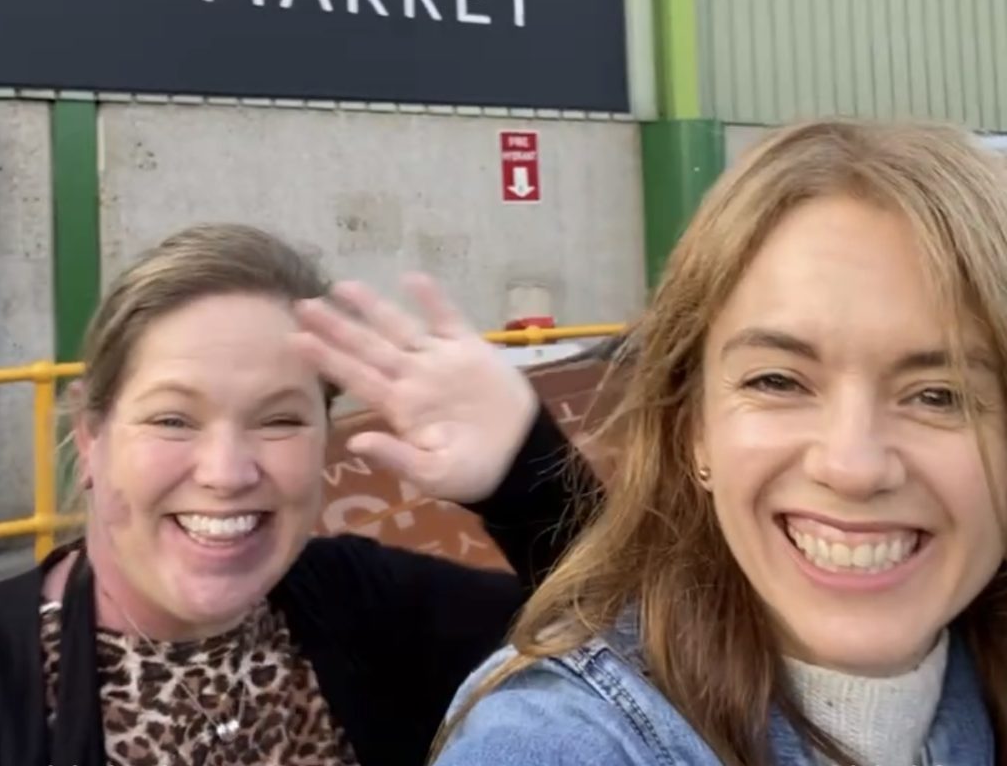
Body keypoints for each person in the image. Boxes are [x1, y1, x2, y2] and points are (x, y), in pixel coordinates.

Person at [430, 118, 1007, 766]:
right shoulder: (560, 744)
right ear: (693, 430)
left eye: (939, 394)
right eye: (778, 381)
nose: (852, 466)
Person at [0, 223, 596, 766]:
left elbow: (647, 645)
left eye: (279, 420)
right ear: (91, 436)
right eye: (173, 419)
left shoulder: (369, 609)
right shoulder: (0, 672)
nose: (227, 473)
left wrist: (531, 477)